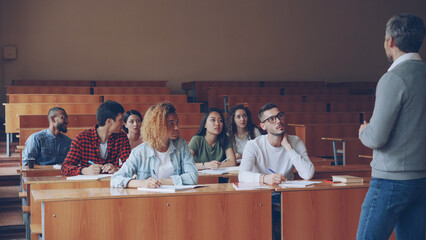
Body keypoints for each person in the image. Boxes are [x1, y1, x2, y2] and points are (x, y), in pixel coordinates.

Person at [357, 14, 426, 240]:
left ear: (391, 41)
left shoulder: (393, 79)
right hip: (421, 179)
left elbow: (376, 137)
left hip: (391, 179)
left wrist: (363, 131)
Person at [111, 102, 197, 188]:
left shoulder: (181, 145)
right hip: (149, 199)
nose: (176, 128)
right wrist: (143, 183)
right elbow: (116, 179)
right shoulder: (139, 152)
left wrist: (161, 182)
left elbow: (192, 177)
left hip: (176, 198)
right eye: (171, 123)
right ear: (157, 126)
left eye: (176, 123)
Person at [239, 103, 314, 184]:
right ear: (263, 126)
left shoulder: (296, 141)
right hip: (262, 191)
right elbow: (242, 175)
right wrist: (265, 178)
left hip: (287, 191)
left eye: (280, 116)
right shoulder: (253, 145)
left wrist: (287, 146)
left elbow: (308, 174)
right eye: (271, 119)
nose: (278, 121)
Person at [61, 100, 131, 176]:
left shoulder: (122, 137)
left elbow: (130, 164)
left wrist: (116, 169)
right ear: (109, 122)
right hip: (88, 185)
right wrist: (84, 170)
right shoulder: (81, 139)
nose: (123, 123)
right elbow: (65, 167)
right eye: (120, 120)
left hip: (112, 183)